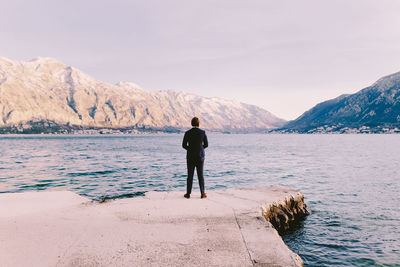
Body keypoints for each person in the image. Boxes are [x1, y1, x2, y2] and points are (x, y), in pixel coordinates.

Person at [182, 117, 208, 199]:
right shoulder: (202, 132)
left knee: (190, 175)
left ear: (191, 123)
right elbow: (206, 144)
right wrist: (200, 149)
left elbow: (183, 145)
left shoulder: (187, 133)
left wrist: (190, 149)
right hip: (200, 156)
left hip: (190, 156)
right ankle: (202, 193)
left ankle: (188, 194)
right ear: (198, 123)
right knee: (200, 175)